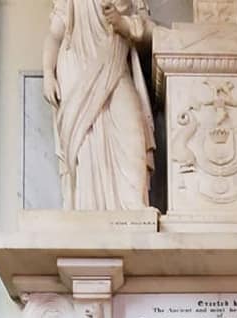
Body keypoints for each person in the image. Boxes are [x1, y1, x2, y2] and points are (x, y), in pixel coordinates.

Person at [43, 0, 155, 211]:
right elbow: (55, 34)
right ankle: (86, 207)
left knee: (131, 128)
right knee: (85, 140)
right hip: (77, 68)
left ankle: (133, 204)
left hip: (116, 64)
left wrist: (124, 24)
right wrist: (48, 73)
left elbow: (151, 33)